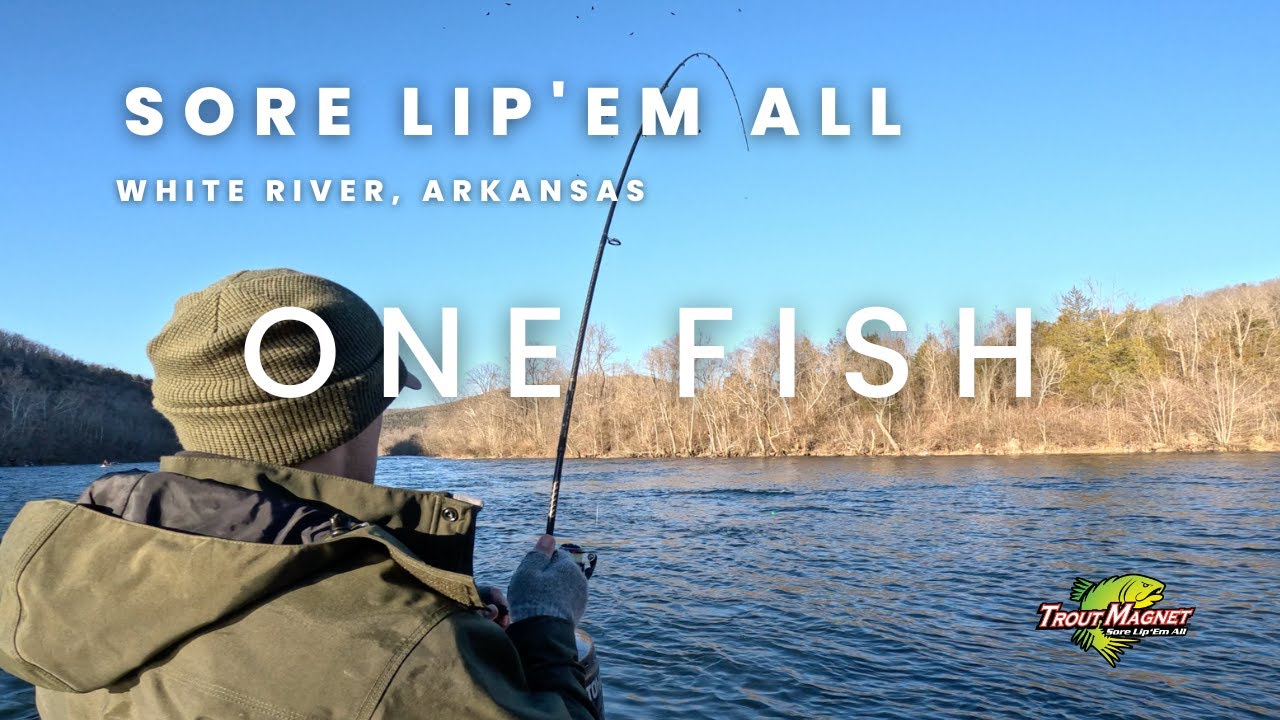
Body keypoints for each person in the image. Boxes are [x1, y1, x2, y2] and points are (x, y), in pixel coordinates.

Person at [0, 269, 597, 719]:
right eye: (385, 399)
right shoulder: (415, 656)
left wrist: (432, 600)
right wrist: (545, 624)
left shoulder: (68, 573)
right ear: (343, 418)